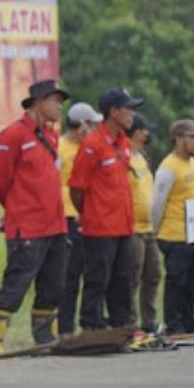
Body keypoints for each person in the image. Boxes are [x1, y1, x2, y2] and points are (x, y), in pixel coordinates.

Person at [0, 79, 70, 352]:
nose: (59, 107)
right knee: (16, 286)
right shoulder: (13, 135)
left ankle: (45, 340)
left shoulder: (51, 136)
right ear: (38, 102)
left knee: (53, 286)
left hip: (55, 226)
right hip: (27, 227)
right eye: (55, 100)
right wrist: (19, 208)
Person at [69, 88, 142, 330]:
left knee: (123, 278)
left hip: (123, 224)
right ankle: (91, 325)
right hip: (100, 226)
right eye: (128, 108)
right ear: (113, 112)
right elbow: (77, 188)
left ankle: (121, 325)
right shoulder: (93, 144)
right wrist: (90, 212)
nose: (132, 113)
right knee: (98, 278)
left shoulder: (123, 142)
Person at [152, 119, 194, 335]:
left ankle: (189, 320)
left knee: (192, 283)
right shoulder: (168, 167)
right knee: (176, 282)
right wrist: (155, 232)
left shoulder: (192, 163)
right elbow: (158, 202)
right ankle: (174, 323)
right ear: (180, 139)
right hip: (174, 235)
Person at [57, 101, 102, 337]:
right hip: (67, 216)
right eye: (91, 124)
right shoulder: (59, 146)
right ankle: (65, 327)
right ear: (80, 125)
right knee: (70, 275)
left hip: (88, 216)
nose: (94, 129)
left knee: (93, 272)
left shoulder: (89, 148)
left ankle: (91, 322)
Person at [127, 115, 161, 333]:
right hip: (133, 228)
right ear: (136, 132)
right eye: (144, 130)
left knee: (154, 273)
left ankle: (149, 321)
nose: (147, 134)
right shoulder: (125, 157)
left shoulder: (142, 157)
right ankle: (129, 322)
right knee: (133, 275)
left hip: (148, 228)